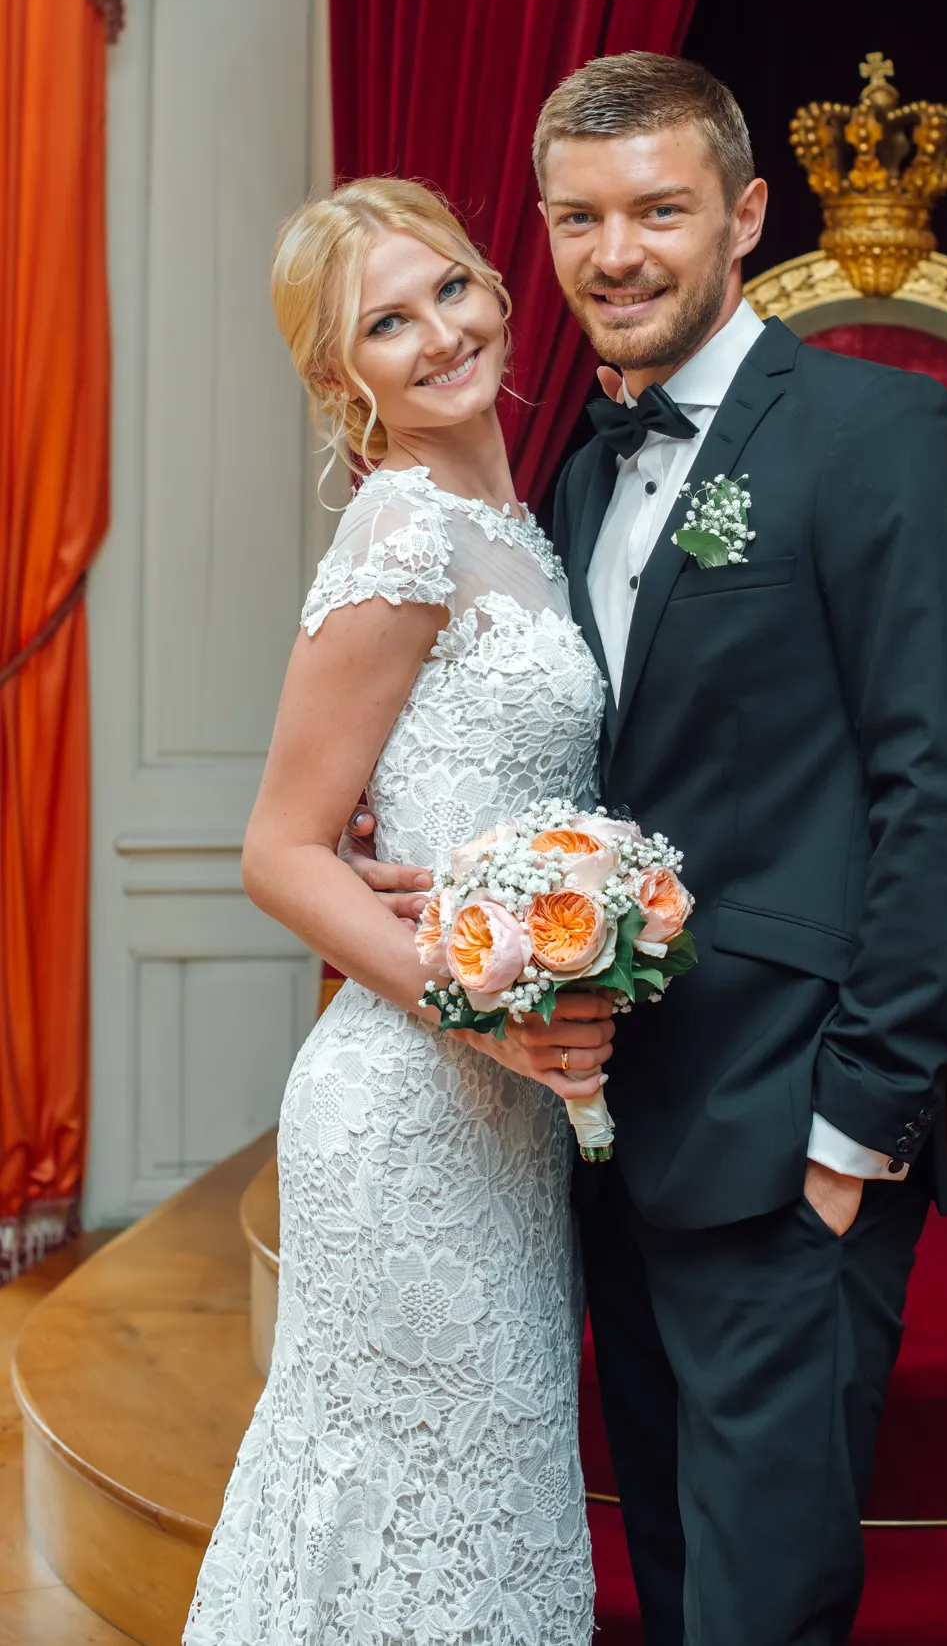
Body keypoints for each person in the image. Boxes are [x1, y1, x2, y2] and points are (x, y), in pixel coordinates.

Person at [349, 54, 947, 1646]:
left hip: (791, 1134)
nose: (616, 251)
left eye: (658, 208)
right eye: (578, 218)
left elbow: (945, 795)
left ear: (745, 216)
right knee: (673, 1582)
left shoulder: (882, 437)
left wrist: (857, 1133)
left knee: (763, 1611)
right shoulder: (573, 471)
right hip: (601, 1138)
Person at [184, 179, 614, 1646]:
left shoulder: (519, 521)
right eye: (386, 321)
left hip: (510, 1125)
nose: (438, 333)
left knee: (478, 1511)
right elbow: (281, 852)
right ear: (338, 377)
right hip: (406, 1118)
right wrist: (483, 1014)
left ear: (496, 286)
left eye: (450, 290)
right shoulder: (403, 533)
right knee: (393, 1514)